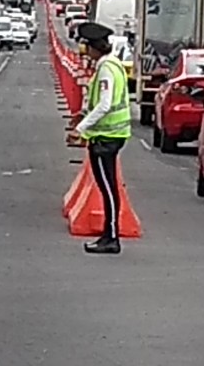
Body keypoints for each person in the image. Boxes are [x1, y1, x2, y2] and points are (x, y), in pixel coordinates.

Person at [66, 22, 132, 255]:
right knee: (108, 188)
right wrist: (82, 115)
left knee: (108, 189)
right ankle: (108, 235)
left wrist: (81, 129)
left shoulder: (106, 69)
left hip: (107, 137)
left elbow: (105, 105)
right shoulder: (111, 65)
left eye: (86, 47)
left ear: (94, 48)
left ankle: (111, 237)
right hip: (109, 135)